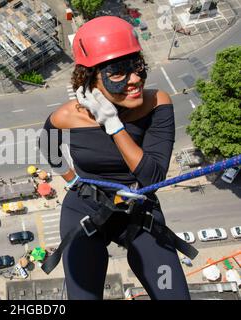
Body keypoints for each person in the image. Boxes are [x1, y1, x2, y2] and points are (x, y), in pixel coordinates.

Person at [39, 16, 196, 300]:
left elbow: (151, 177)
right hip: (85, 207)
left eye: (137, 67)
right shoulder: (66, 116)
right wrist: (72, 180)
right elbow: (47, 147)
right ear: (90, 79)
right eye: (118, 72)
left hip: (140, 212)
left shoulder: (157, 103)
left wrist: (113, 125)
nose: (134, 79)